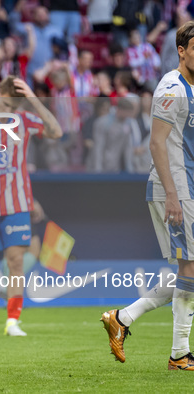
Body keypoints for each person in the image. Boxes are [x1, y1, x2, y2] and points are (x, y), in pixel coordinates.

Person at [101, 20, 194, 371]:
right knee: (190, 267)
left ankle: (123, 317)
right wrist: (171, 195)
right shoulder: (171, 88)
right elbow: (156, 142)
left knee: (190, 271)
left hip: (190, 186)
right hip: (176, 187)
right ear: (181, 51)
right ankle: (180, 354)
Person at [0, 76, 62, 337]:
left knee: (16, 261)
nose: (11, 107)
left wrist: (33, 99)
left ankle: (12, 320)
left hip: (17, 204)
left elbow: (56, 131)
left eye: (16, 103)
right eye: (8, 100)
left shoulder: (25, 120)